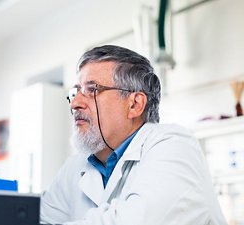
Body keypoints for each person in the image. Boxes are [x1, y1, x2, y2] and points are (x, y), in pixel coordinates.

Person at [40, 45, 227, 225]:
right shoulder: (74, 166)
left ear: (135, 104)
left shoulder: (174, 145)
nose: (75, 104)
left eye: (92, 90)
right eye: (76, 92)